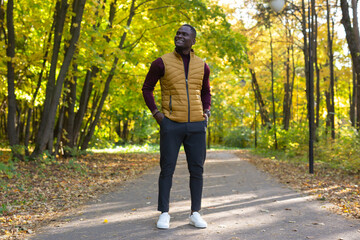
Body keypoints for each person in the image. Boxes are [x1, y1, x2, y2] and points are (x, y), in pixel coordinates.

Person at [142, 24, 211, 229]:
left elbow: (206, 91)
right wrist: (157, 114)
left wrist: (206, 111)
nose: (179, 36)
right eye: (178, 33)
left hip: (197, 125)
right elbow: (147, 89)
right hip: (171, 124)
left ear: (193, 41)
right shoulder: (161, 63)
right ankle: (164, 213)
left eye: (184, 34)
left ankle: (195, 213)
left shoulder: (202, 65)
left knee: (197, 170)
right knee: (167, 169)